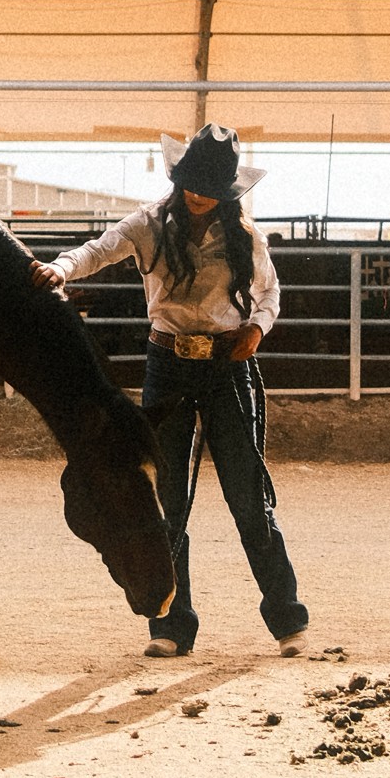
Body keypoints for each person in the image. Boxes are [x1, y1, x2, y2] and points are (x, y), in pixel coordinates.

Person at [35, 127, 308, 660]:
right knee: (170, 497)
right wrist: (60, 268)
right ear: (179, 179)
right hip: (169, 363)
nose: (199, 194)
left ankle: (286, 617)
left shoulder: (246, 236)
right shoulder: (148, 224)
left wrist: (257, 329)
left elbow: (269, 292)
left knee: (248, 495)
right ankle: (171, 623)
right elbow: (99, 249)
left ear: (228, 191)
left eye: (210, 187)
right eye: (191, 183)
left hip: (229, 365)